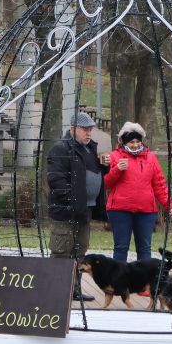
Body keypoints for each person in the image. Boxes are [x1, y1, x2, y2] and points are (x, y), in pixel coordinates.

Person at [47, 111, 110, 301]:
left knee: (79, 252)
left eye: (90, 129)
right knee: (62, 252)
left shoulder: (89, 149)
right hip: (66, 212)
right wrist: (72, 201)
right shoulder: (61, 149)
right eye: (85, 129)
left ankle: (73, 290)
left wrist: (103, 167)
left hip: (85, 211)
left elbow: (89, 174)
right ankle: (55, 292)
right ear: (72, 128)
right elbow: (56, 180)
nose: (89, 133)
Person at [104, 122, 172, 263]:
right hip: (119, 210)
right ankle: (119, 283)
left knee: (144, 249)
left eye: (138, 141)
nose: (135, 145)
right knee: (120, 248)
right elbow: (106, 184)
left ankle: (143, 283)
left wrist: (169, 205)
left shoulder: (151, 158)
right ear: (124, 142)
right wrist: (117, 169)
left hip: (146, 212)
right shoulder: (113, 157)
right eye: (131, 142)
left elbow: (159, 184)